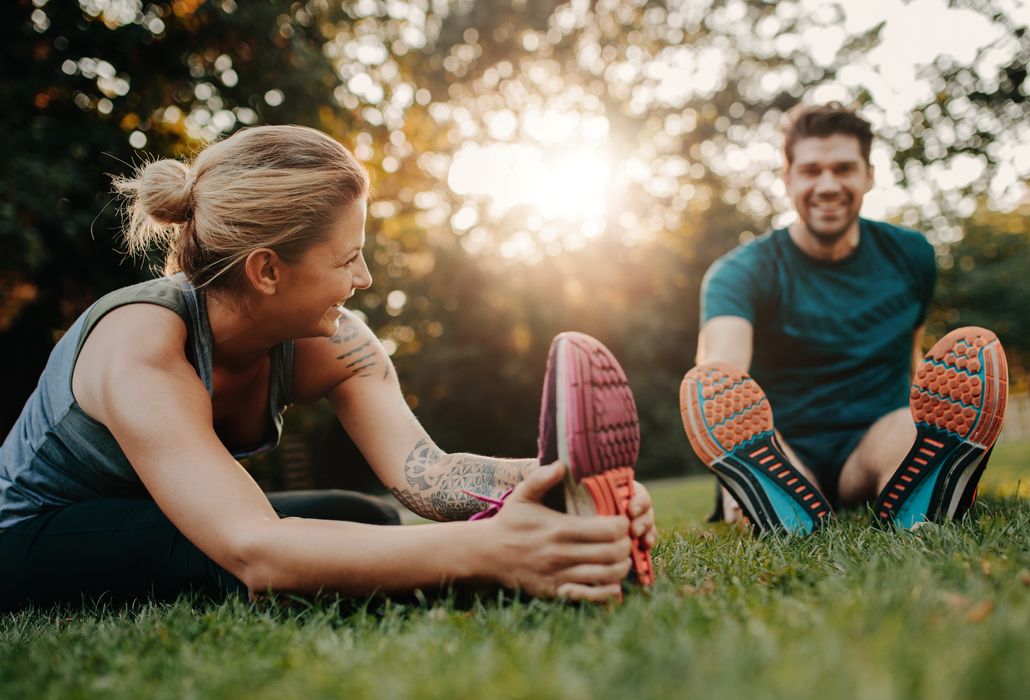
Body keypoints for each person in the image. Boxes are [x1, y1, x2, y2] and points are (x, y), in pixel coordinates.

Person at [0, 125, 655, 611]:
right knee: (239, 560)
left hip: (164, 519)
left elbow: (428, 477)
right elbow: (254, 547)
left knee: (363, 520)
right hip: (33, 534)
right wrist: (492, 550)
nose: (364, 278)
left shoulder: (333, 341)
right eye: (346, 259)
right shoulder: (142, 346)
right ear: (266, 270)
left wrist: (566, 482)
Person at [679, 103, 1008, 533]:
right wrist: (726, 451)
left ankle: (927, 488)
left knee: (908, 432)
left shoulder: (911, 255)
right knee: (767, 452)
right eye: (811, 171)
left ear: (869, 175)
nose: (828, 185)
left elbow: (911, 354)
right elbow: (721, 376)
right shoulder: (740, 272)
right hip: (784, 445)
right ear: (787, 179)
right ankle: (757, 488)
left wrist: (933, 414)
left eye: (843, 169)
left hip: (875, 440)